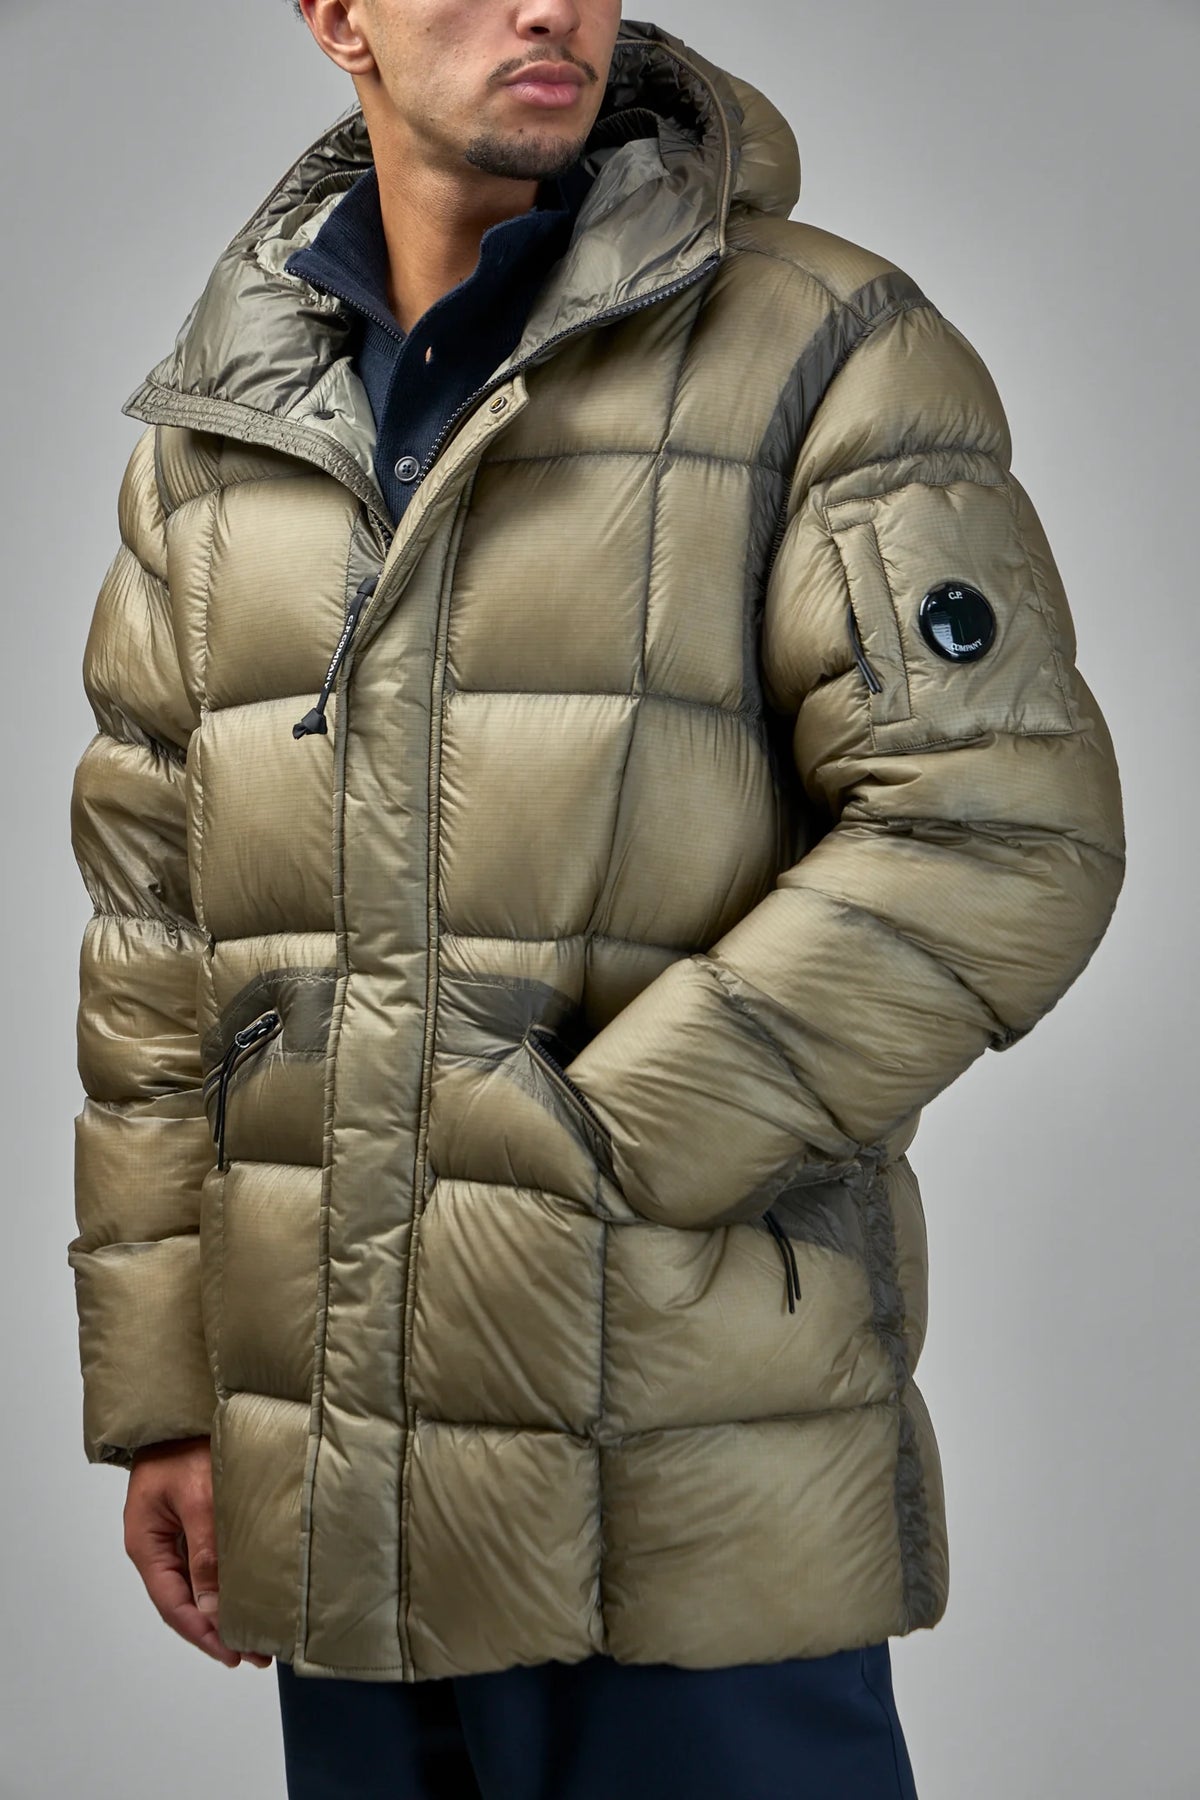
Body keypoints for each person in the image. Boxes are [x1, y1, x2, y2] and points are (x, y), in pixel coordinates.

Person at [66, 2, 1126, 1795]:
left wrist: (595, 1151)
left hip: (681, 1461)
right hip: (338, 1500)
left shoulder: (823, 350)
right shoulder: (223, 427)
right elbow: (155, 941)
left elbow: (1002, 828)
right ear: (336, 18)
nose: (547, 5)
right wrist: (169, 1397)